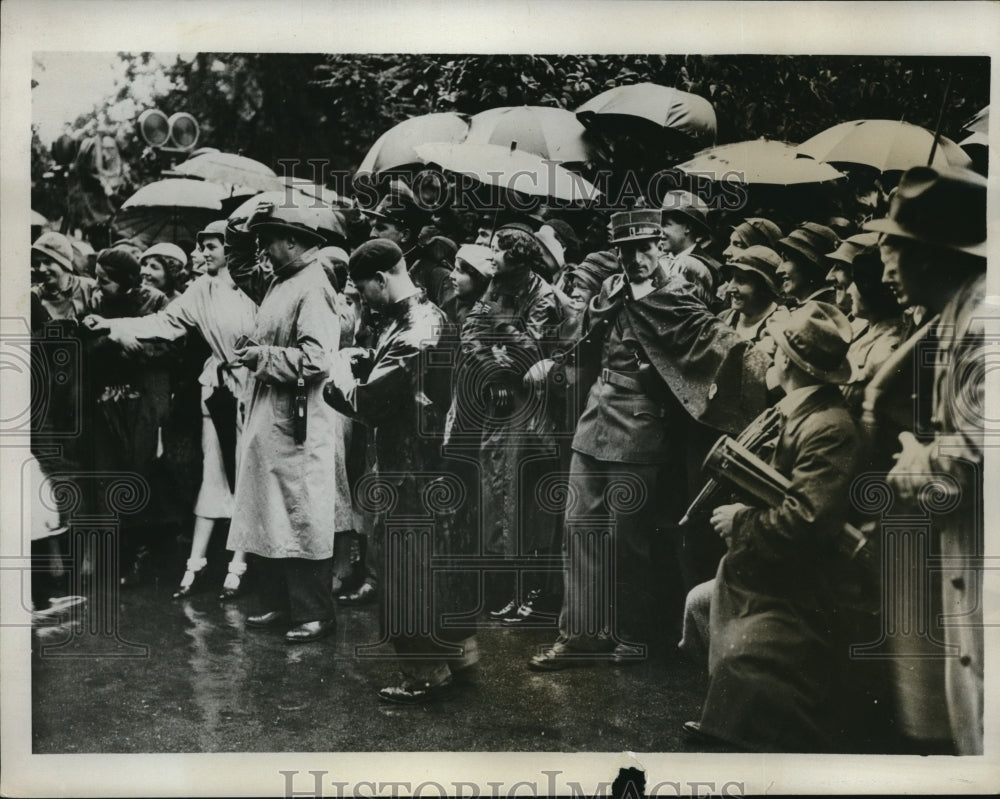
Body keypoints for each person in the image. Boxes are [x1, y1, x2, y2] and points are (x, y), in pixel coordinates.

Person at [528, 210, 768, 671]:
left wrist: (759, 359)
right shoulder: (610, 289)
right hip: (594, 418)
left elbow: (716, 344)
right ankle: (579, 635)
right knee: (578, 529)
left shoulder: (677, 296)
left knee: (628, 539)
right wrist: (596, 308)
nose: (634, 258)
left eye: (643, 247)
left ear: (659, 245)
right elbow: (577, 339)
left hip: (641, 426)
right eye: (624, 249)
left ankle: (633, 634)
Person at [688, 302, 864, 752]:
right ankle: (732, 715)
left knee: (737, 652)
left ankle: (742, 732)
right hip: (774, 576)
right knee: (699, 606)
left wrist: (740, 519)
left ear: (786, 361)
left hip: (802, 589)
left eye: (775, 348)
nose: (768, 354)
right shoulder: (801, 411)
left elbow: (808, 521)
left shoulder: (828, 426)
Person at [865, 165, 987, 755]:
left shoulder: (985, 324)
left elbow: (959, 466)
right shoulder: (955, 317)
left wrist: (915, 460)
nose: (885, 263)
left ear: (934, 255)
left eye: (896, 246)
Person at [323, 238, 476, 703]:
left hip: (408, 467)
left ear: (382, 279)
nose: (361, 299)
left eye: (362, 288)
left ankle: (425, 671)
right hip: (430, 462)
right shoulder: (426, 316)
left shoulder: (413, 330)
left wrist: (338, 373)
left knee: (405, 567)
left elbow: (369, 401)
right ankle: (459, 655)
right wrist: (367, 361)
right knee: (437, 562)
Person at [85, 220, 259, 600]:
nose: (205, 252)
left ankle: (242, 564)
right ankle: (196, 565)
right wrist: (113, 324)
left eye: (212, 245)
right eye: (203, 245)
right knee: (217, 472)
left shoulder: (257, 285)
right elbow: (164, 322)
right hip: (218, 388)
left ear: (232, 248)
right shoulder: (201, 289)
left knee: (250, 471)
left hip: (257, 387)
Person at [224, 204, 342, 644]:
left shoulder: (314, 286)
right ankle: (279, 602)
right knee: (268, 509)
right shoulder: (280, 279)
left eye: (269, 241)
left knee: (301, 512)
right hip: (271, 413)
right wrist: (238, 226)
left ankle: (315, 612)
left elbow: (317, 360)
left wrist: (263, 356)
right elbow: (240, 267)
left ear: (292, 241)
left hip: (298, 419)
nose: (264, 251)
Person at [458, 223, 563, 623]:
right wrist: (491, 368)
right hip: (500, 404)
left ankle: (533, 590)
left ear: (517, 256)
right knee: (497, 496)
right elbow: (470, 332)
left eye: (497, 250)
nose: (491, 256)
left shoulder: (542, 295)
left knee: (526, 501)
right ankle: (510, 587)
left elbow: (532, 348)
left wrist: (501, 332)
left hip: (533, 412)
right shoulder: (495, 287)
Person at [365, 179, 457, 309]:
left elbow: (452, 323)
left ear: (405, 235)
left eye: (381, 228)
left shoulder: (436, 274)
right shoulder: (378, 269)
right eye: (373, 227)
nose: (372, 234)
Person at [717, 245, 788, 343]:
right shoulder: (723, 318)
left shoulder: (779, 329)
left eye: (741, 280)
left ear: (764, 289)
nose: (730, 289)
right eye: (732, 279)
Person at [31, 231, 98, 321]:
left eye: (47, 262)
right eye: (37, 263)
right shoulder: (34, 297)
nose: (41, 269)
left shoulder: (90, 289)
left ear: (63, 263)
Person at [774, 222, 840, 306]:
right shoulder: (793, 308)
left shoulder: (827, 309)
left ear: (810, 265)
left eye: (786, 260)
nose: (778, 271)